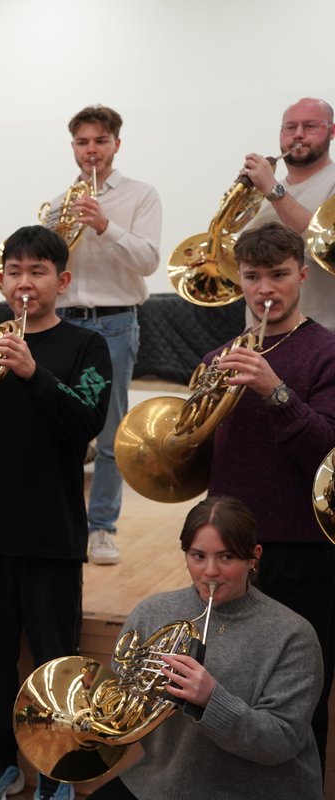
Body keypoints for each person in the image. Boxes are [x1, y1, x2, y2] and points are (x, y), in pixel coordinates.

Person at [0, 225, 111, 800]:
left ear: (61, 281)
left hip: (51, 530)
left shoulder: (86, 347)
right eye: (15, 271)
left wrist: (31, 372)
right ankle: (0, 761)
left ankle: (56, 769)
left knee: (56, 661)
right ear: (1, 280)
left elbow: (86, 420)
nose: (25, 282)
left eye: (38, 271)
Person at [206, 222, 335, 774]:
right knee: (226, 685)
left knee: (300, 696)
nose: (266, 290)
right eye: (254, 276)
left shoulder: (326, 351)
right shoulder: (221, 354)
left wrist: (274, 391)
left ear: (302, 275)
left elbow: (328, 454)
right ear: (240, 280)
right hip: (231, 549)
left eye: (279, 275)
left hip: (303, 548)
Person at [89, 496, 323, 800]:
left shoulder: (293, 634)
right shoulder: (152, 612)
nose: (209, 571)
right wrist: (103, 698)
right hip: (162, 784)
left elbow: (281, 741)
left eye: (226, 557)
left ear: (254, 557)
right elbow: (125, 706)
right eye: (198, 556)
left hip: (255, 791)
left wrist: (211, 699)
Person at [49, 104, 161, 566]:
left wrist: (104, 225)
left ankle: (102, 528)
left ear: (116, 143)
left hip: (115, 322)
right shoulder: (59, 202)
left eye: (99, 141)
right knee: (58, 427)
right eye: (82, 142)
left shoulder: (140, 195)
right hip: (66, 321)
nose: (90, 150)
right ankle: (61, 523)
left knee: (112, 432)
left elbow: (149, 260)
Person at [243, 97, 335, 328]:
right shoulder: (262, 191)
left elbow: (327, 247)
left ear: (332, 131)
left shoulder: (274, 188)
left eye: (310, 126)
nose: (298, 135)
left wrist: (273, 190)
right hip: (260, 333)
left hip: (324, 333)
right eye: (290, 127)